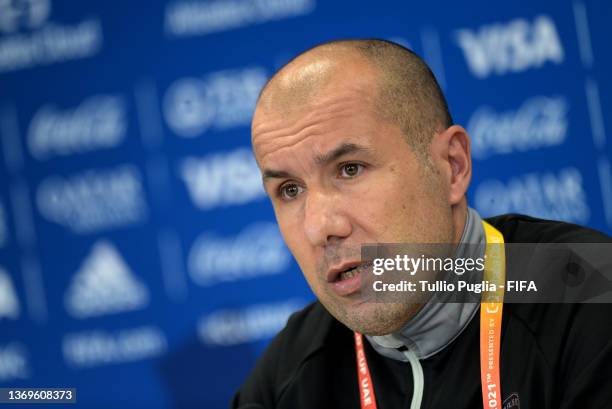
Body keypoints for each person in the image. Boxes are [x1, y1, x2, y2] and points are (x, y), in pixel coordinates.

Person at [231, 39, 612, 409]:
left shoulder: (588, 291)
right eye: (290, 190)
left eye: (350, 169)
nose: (319, 228)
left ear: (452, 167)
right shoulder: (289, 373)